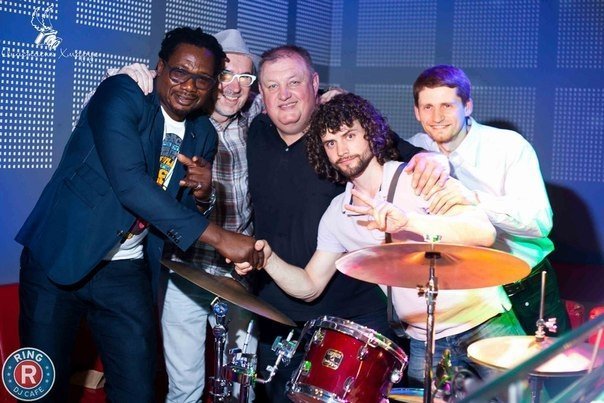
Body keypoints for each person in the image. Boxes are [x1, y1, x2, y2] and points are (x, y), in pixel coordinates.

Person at [15, 27, 262, 403]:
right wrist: (221, 237)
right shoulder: (122, 94)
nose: (189, 86)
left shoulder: (202, 134)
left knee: (138, 390)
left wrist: (202, 196)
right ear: (160, 67)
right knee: (42, 389)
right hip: (60, 255)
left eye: (202, 78)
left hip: (125, 269)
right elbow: (129, 184)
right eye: (180, 71)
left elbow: (173, 217)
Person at [238, 92, 524, 390]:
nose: (341, 150)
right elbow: (310, 286)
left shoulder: (418, 177)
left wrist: (408, 222)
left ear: (370, 134)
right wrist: (268, 258)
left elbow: (483, 232)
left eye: (349, 135)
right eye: (330, 143)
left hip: (484, 322)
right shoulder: (339, 213)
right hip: (423, 340)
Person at [246, 46, 450, 402]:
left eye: (294, 82)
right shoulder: (256, 132)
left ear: (315, 84)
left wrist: (437, 160)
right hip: (276, 311)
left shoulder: (346, 134)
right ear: (260, 93)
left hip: (356, 316)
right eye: (272, 86)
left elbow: (409, 156)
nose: (284, 95)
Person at [407, 65, 570, 337]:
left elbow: (539, 222)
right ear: (416, 112)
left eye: (447, 105)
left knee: (548, 364)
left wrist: (473, 200)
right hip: (464, 296)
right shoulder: (414, 149)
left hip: (522, 286)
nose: (436, 117)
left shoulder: (508, 146)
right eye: (428, 107)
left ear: (467, 106)